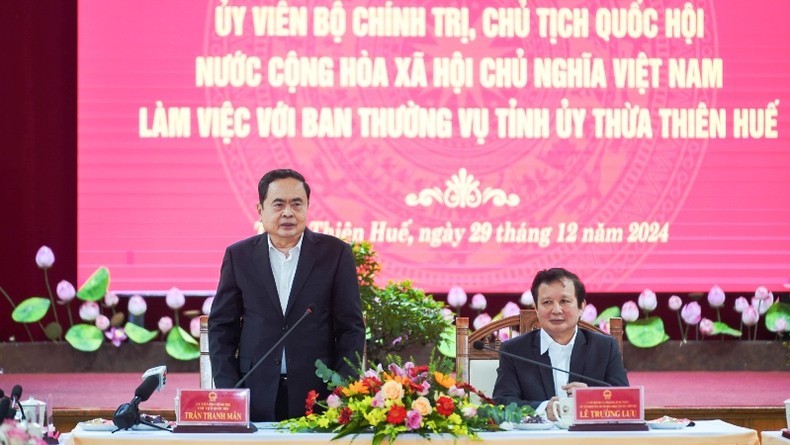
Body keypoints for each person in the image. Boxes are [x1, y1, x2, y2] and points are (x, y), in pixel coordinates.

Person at [209, 168, 365, 422]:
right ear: (260, 210)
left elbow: (351, 328)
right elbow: (221, 328)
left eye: (297, 204)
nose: (288, 213)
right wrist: (230, 391)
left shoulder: (335, 254)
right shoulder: (239, 257)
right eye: (279, 204)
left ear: (307, 207)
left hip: (318, 396)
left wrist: (342, 389)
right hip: (253, 393)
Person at [492, 268, 628, 420]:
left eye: (564, 301)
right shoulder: (514, 350)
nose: (556, 310)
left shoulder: (604, 348)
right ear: (536, 308)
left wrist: (593, 397)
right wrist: (543, 409)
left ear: (581, 307)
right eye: (547, 302)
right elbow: (502, 402)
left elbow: (626, 400)